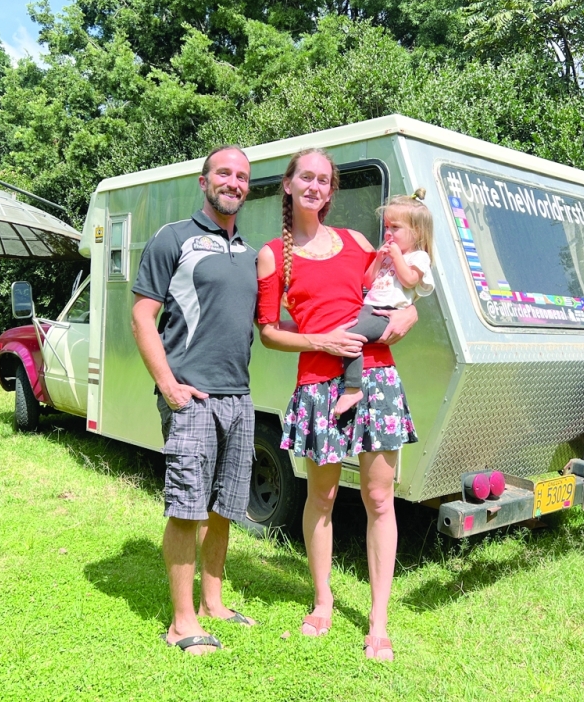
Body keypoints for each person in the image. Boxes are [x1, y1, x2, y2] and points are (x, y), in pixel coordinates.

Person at [255, 148, 419, 662]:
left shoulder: (357, 242)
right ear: (288, 185)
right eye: (306, 176)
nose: (315, 186)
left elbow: (393, 294)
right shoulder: (273, 256)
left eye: (324, 180)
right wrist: (321, 342)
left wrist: (410, 316)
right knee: (321, 499)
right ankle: (322, 602)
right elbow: (269, 333)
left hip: (377, 380)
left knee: (379, 501)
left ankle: (378, 621)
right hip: (319, 386)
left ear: (331, 191)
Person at [130, 146, 258, 655]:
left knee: (224, 508)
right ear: (204, 181)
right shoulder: (174, 239)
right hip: (191, 396)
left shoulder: (250, 252)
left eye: (242, 176)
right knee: (187, 509)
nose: (233, 182)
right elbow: (142, 317)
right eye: (224, 173)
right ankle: (182, 623)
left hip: (239, 396)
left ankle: (213, 603)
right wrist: (168, 384)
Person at [332, 190, 435, 417]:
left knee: (350, 336)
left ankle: (352, 388)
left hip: (389, 312)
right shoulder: (387, 253)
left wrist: (397, 257)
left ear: (416, 231)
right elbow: (367, 280)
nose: (388, 233)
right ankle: (349, 382)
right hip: (370, 307)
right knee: (341, 329)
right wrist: (380, 258)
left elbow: (409, 280)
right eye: (387, 227)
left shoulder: (418, 257)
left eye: (395, 228)